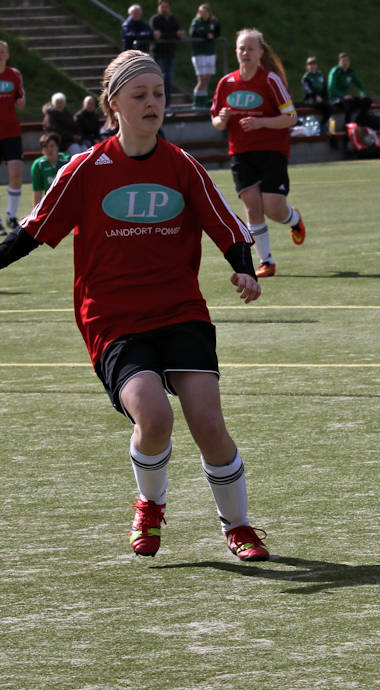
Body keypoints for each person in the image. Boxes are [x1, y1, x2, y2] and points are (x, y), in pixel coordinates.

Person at [0, 51, 269, 561]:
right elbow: (32, 231)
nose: (152, 103)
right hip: (114, 318)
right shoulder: (84, 169)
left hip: (179, 309)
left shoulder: (181, 165)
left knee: (208, 423)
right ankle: (149, 504)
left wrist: (243, 267)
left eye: (159, 94)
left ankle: (239, 526)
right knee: (153, 416)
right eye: (139, 95)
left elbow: (228, 226)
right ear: (113, 104)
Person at [211, 28, 305, 277]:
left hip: (272, 150)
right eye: (242, 48)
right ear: (236, 52)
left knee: (273, 209)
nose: (246, 53)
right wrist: (222, 119)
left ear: (261, 52)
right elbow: (216, 122)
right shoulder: (226, 83)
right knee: (252, 208)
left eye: (251, 48)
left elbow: (291, 117)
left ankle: (294, 219)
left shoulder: (270, 80)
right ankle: (267, 262)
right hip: (240, 153)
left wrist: (261, 123)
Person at [0, 41, 24, 232]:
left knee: (16, 174)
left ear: (7, 55)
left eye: (2, 52)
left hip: (11, 132)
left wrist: (21, 99)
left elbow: (21, 101)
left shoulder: (14, 75)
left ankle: (11, 216)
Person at [150, 0, 185, 104]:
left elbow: (178, 35)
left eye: (166, 7)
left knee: (169, 81)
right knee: (160, 81)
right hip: (158, 54)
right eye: (162, 7)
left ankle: (167, 105)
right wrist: (174, 34)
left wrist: (175, 35)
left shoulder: (173, 19)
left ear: (169, 8)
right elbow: (157, 35)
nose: (164, 9)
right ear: (158, 8)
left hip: (170, 53)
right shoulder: (155, 19)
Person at [327, 51, 370, 131]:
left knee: (367, 101)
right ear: (339, 62)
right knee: (349, 102)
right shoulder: (335, 71)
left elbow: (360, 84)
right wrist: (343, 95)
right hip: (334, 98)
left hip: (346, 97)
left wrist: (363, 93)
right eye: (343, 61)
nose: (345, 63)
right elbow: (331, 88)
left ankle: (359, 122)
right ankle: (347, 125)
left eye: (347, 61)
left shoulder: (350, 72)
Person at [188, 3, 220, 109]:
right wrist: (206, 35)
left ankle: (203, 102)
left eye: (205, 12)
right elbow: (193, 33)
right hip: (199, 53)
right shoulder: (196, 22)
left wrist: (213, 35)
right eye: (201, 12)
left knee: (207, 78)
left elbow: (217, 32)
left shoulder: (213, 21)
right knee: (201, 79)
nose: (203, 14)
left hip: (210, 52)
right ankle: (196, 102)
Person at [300, 55, 334, 145]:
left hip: (321, 99)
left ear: (316, 65)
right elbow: (308, 90)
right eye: (309, 64)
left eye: (313, 63)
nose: (312, 65)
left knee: (331, 106)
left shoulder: (320, 75)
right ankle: (321, 126)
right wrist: (315, 96)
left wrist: (326, 98)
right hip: (310, 99)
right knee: (324, 106)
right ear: (307, 66)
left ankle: (324, 124)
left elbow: (325, 89)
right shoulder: (306, 77)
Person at [29, 132, 68, 206]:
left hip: (68, 200)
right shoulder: (38, 165)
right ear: (42, 150)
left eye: (52, 146)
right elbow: (38, 191)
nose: (49, 149)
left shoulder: (67, 161)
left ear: (57, 147)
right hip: (50, 203)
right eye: (45, 147)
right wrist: (35, 214)